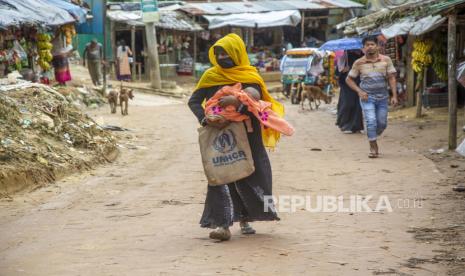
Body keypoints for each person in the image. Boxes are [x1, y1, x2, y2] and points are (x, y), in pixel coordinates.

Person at [188, 33, 284, 241]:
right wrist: (207, 119)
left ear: (237, 53)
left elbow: (256, 105)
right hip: (219, 135)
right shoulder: (210, 76)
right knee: (221, 175)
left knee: (249, 175)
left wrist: (238, 105)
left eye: (226, 53)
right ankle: (223, 225)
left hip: (249, 136)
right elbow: (194, 102)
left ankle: (245, 218)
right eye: (218, 53)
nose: (222, 57)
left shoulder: (250, 76)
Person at [346, 36, 398, 158]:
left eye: (372, 44)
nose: (370, 47)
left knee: (382, 123)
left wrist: (394, 95)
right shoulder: (359, 62)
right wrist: (359, 91)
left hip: (383, 97)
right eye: (367, 45)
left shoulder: (386, 60)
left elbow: (391, 77)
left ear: (378, 46)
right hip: (367, 97)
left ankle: (374, 133)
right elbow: (349, 79)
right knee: (371, 121)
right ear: (363, 48)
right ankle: (373, 145)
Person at [336, 50, 364, 134]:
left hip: (359, 81)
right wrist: (343, 70)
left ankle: (357, 126)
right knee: (348, 103)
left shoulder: (363, 54)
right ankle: (345, 124)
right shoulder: (344, 55)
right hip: (346, 82)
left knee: (358, 104)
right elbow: (338, 71)